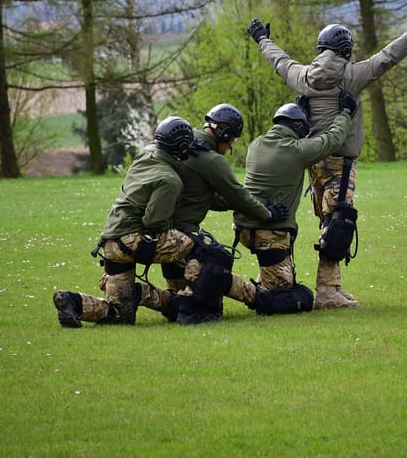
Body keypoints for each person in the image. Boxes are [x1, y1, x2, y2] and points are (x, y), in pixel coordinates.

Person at [247, 0, 407, 308]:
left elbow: (280, 61)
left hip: (313, 162)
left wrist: (261, 38)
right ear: (345, 50)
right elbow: (389, 56)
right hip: (341, 162)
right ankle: (326, 292)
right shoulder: (351, 76)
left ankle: (332, 286)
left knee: (330, 223)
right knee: (338, 224)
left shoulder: (302, 76)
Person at [131, 103, 290, 324]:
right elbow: (237, 195)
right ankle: (211, 306)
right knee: (217, 257)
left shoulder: (183, 144)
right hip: (182, 231)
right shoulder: (211, 160)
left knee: (179, 292)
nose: (232, 145)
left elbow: (205, 196)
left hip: (155, 226)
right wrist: (267, 214)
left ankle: (175, 301)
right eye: (232, 139)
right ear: (223, 132)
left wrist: (238, 205)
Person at [52, 115, 199, 328]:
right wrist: (176, 229)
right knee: (192, 241)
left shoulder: (146, 154)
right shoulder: (170, 180)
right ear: (183, 147)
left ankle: (74, 302)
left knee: (120, 314)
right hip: (133, 241)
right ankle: (186, 301)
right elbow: (155, 221)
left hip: (110, 242)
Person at [232, 94, 355, 313]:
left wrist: (300, 115)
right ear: (298, 127)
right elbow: (332, 139)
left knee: (285, 283)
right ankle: (227, 284)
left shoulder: (256, 145)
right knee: (290, 299)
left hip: (242, 228)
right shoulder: (298, 150)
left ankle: (267, 276)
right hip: (269, 234)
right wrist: (345, 113)